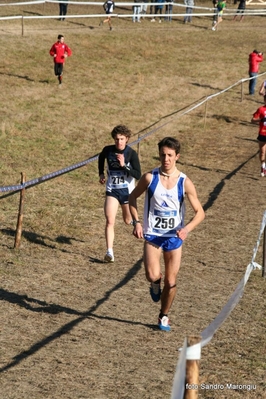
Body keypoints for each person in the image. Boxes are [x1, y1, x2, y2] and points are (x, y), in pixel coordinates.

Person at [129, 137, 205, 331]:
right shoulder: (149, 178)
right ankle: (155, 283)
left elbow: (200, 213)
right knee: (152, 275)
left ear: (177, 156)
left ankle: (164, 316)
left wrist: (186, 229)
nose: (166, 159)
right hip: (153, 235)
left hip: (173, 237)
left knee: (171, 282)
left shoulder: (184, 182)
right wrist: (137, 222)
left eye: (170, 155)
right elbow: (131, 198)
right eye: (163, 154)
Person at [98, 125, 141, 263]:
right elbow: (101, 158)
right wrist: (101, 173)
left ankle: (132, 220)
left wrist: (124, 165)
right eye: (117, 139)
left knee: (127, 220)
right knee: (110, 221)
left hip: (127, 193)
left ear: (127, 139)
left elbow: (138, 175)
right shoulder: (108, 150)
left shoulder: (131, 154)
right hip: (112, 190)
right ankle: (109, 252)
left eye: (122, 139)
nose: (119, 142)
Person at [251, 95, 266, 177]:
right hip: (263, 134)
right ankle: (263, 165)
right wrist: (260, 119)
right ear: (264, 100)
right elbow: (252, 120)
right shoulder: (261, 109)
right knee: (262, 152)